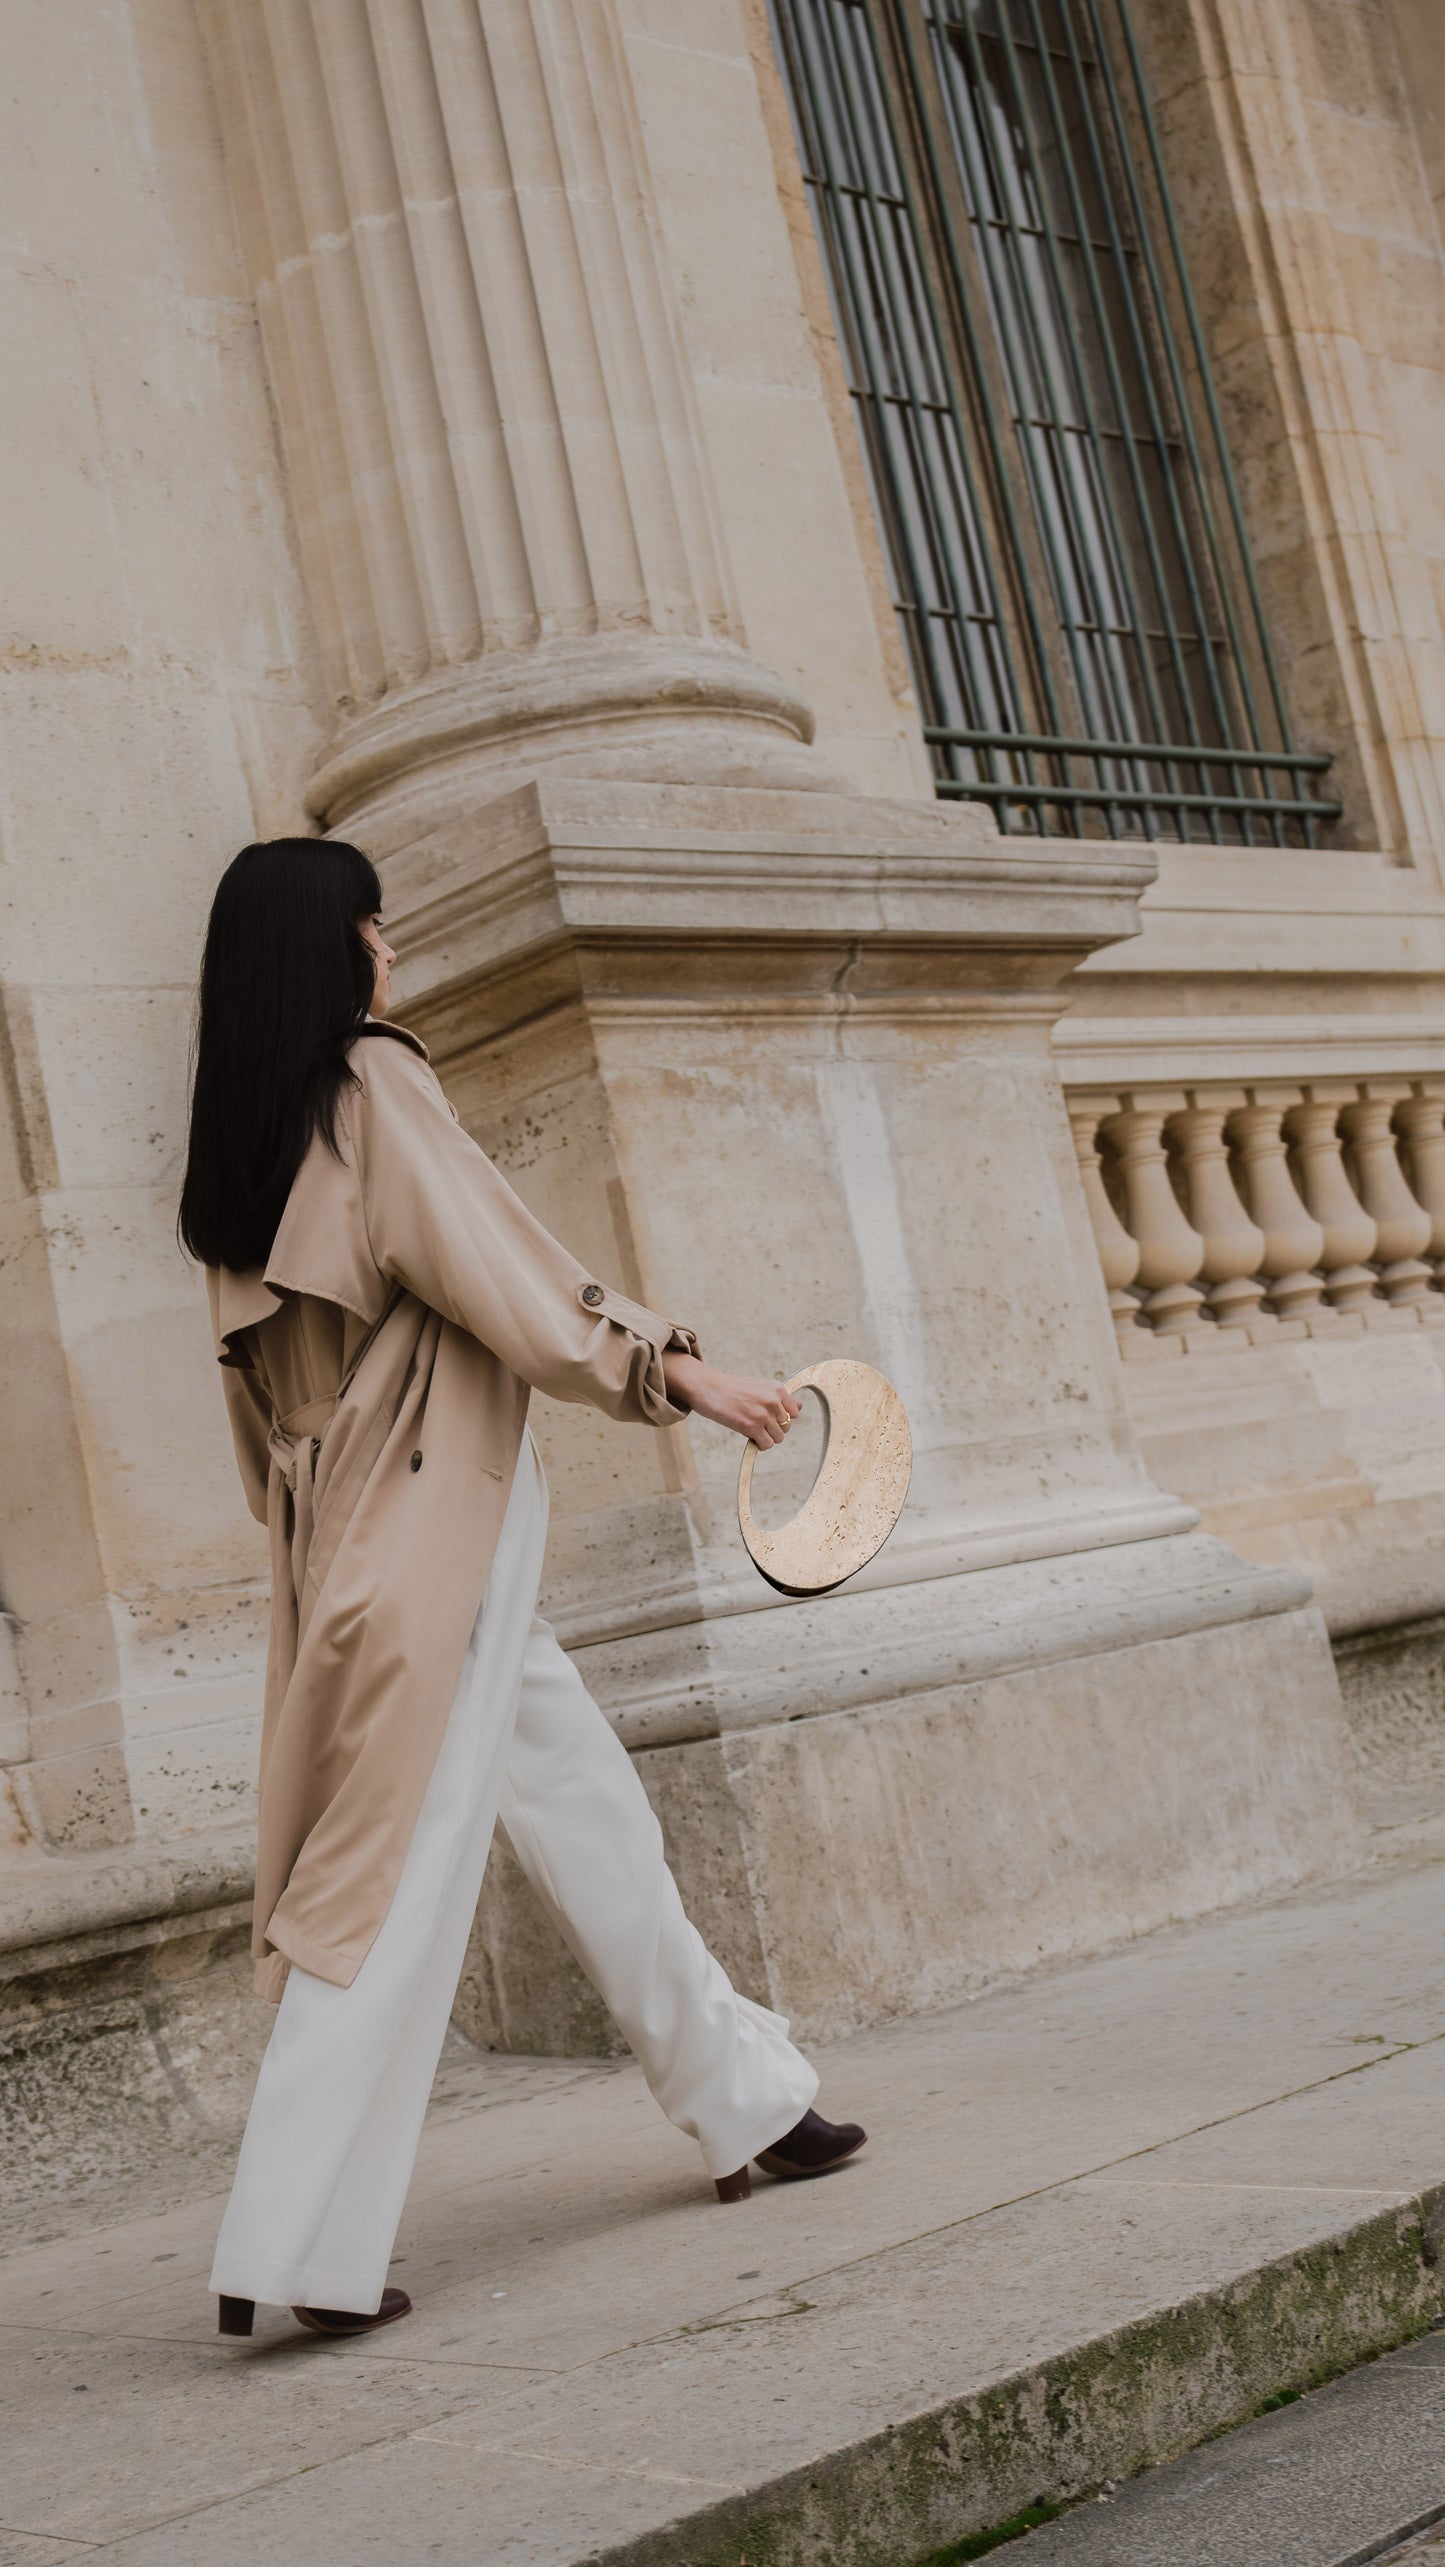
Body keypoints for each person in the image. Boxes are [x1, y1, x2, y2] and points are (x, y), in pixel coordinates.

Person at [179, 837, 866, 2343]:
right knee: (388, 1876)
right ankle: (289, 2242)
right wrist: (681, 1372)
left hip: (363, 1540)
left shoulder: (241, 1138)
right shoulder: (367, 1088)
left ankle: (746, 2100)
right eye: (372, 927)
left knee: (586, 1809)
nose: (388, 952)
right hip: (433, 1529)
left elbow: (259, 1419)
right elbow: (505, 1269)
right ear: (325, 950)